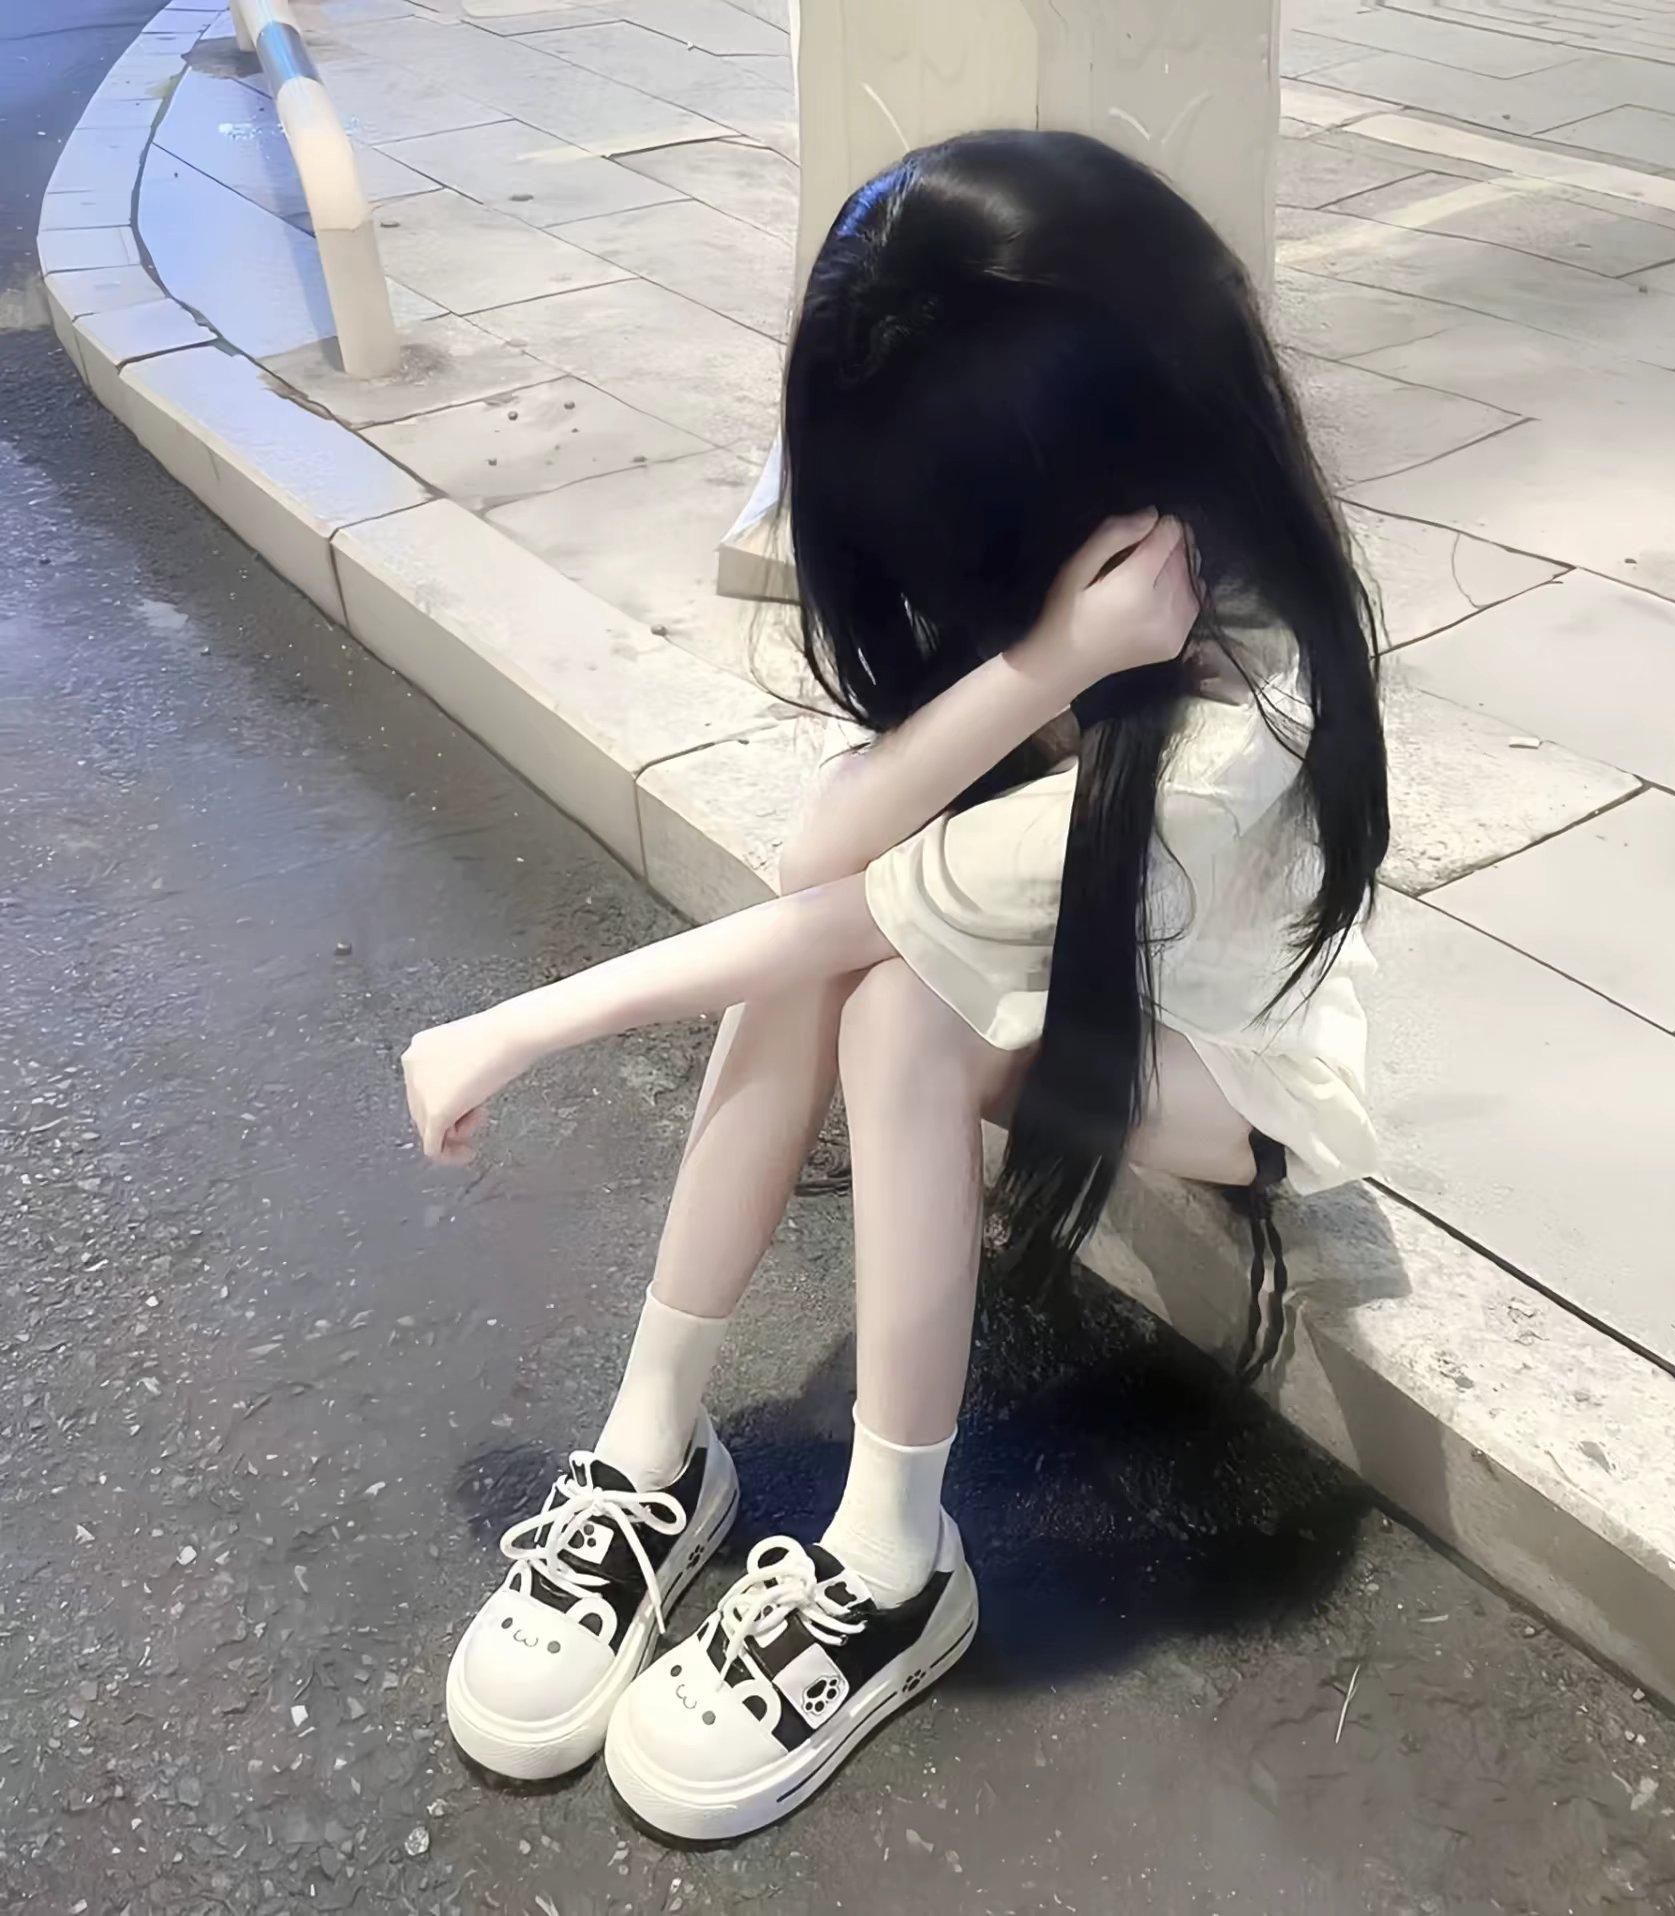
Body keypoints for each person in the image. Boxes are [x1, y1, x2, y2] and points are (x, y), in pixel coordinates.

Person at [401, 129, 1388, 1839]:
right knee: (861, 959)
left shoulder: (1232, 736)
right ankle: (653, 1444)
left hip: (1244, 1073)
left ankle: (893, 1557)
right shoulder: (1116, 576)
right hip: (1094, 947)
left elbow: (841, 908)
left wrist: (521, 1025)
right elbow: (827, 853)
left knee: (896, 996)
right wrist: (1054, 658)